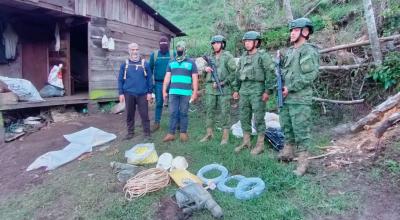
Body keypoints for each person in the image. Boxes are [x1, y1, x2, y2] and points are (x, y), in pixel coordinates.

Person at [278, 18, 320, 176]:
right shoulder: (290, 51)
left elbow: (311, 74)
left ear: (305, 32)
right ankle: (288, 153)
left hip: (300, 99)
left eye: (295, 30)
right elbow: (285, 72)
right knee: (287, 126)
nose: (292, 33)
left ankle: (303, 163)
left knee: (301, 130)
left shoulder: (308, 50)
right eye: (291, 30)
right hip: (286, 98)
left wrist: (290, 87)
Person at [232, 31, 275, 156]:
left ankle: (260, 144)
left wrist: (267, 91)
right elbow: (237, 74)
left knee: (259, 117)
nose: (247, 43)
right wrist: (236, 89)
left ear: (256, 43)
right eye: (245, 41)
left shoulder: (263, 56)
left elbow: (270, 73)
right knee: (244, 116)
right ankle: (246, 141)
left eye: (249, 41)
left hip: (258, 89)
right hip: (244, 89)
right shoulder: (243, 57)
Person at [200, 35, 236, 145]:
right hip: (210, 88)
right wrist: (205, 69)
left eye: (217, 43)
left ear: (223, 44)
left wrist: (223, 83)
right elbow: (203, 73)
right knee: (209, 111)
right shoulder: (210, 57)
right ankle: (209, 134)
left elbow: (234, 73)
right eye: (213, 43)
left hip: (224, 88)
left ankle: (225, 137)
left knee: (225, 112)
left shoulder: (227, 56)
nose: (215, 45)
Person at [162, 41, 199, 142]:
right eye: (178, 49)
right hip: (173, 92)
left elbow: (195, 78)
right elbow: (167, 77)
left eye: (181, 49)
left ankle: (183, 133)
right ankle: (171, 133)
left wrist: (195, 92)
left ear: (185, 49)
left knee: (184, 113)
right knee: (173, 112)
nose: (179, 51)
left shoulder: (191, 62)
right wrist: (164, 91)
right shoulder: (171, 62)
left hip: (186, 93)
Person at [118, 43, 153, 140]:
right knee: (129, 114)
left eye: (136, 49)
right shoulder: (124, 64)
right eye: (132, 50)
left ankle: (147, 133)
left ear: (139, 50)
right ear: (129, 51)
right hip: (128, 93)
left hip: (142, 94)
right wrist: (121, 93)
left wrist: (150, 92)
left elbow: (150, 79)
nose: (135, 52)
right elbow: (120, 79)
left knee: (144, 114)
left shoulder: (145, 63)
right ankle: (130, 132)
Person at [149, 36, 176, 131]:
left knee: (173, 103)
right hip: (158, 83)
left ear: (168, 44)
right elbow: (150, 70)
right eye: (162, 44)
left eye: (166, 44)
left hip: (172, 83)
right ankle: (157, 123)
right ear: (159, 45)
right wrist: (151, 86)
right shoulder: (154, 55)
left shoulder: (173, 54)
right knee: (159, 102)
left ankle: (175, 123)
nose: (164, 46)